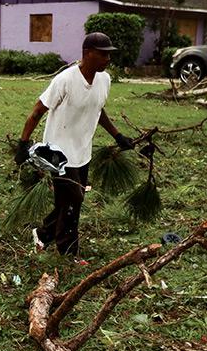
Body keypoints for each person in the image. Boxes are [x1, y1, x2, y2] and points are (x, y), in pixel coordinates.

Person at [14, 32, 133, 261]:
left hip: (83, 152)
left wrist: (118, 136)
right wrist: (23, 144)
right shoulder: (65, 80)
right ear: (87, 53)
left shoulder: (104, 80)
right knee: (74, 200)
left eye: (109, 54)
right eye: (103, 54)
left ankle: (42, 234)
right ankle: (68, 253)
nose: (108, 59)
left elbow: (97, 109)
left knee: (67, 201)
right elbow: (38, 110)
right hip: (57, 154)